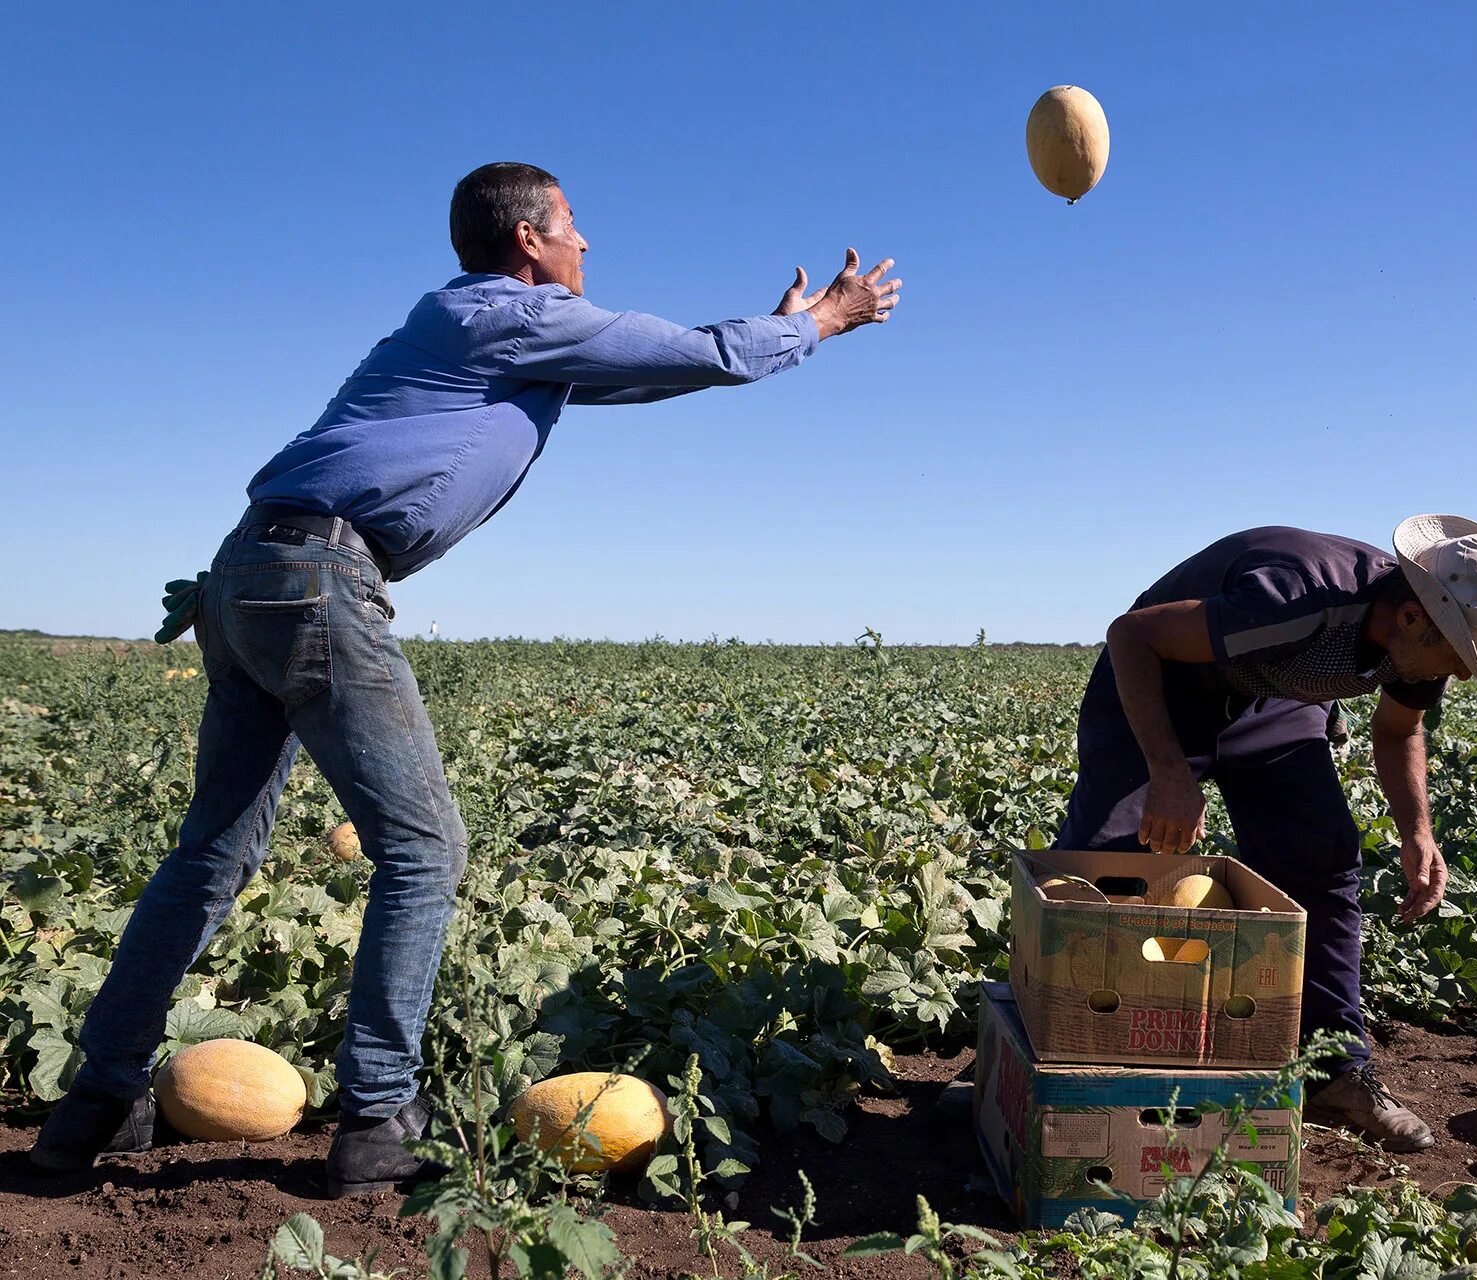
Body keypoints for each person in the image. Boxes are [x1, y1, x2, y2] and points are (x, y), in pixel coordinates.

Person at [30, 162, 901, 1195]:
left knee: (212, 851)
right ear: (530, 239)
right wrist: (827, 323)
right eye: (577, 227)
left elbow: (662, 367)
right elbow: (698, 352)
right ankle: (379, 1115)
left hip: (248, 571)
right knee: (424, 849)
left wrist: (777, 332)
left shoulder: (488, 332)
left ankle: (97, 1100)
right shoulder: (505, 317)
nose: (589, 246)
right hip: (315, 580)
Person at [1054, 516, 1477, 1151]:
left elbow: (1397, 732)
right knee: (1107, 867)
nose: (1465, 674)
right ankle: (1049, 1052)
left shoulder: (1422, 638)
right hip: (1161, 679)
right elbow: (1131, 636)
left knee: (1322, 857)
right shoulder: (1294, 597)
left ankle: (1336, 1072)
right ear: (1413, 619)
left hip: (1276, 700)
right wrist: (1170, 770)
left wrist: (1418, 833)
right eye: (1460, 658)